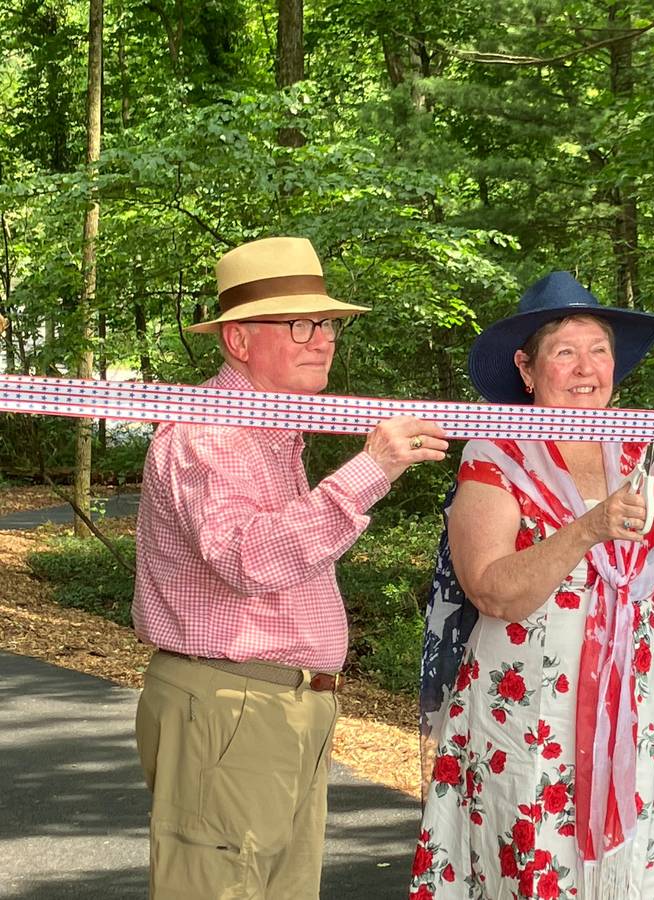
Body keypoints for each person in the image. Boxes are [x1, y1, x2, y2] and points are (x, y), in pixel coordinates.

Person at [132, 236, 449, 899]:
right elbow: (248, 558)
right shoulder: (210, 431)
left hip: (275, 706)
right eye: (299, 324)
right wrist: (372, 470)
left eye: (327, 323)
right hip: (231, 701)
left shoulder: (271, 433)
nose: (323, 339)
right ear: (239, 341)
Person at [410, 271, 654, 900]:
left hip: (637, 703)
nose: (587, 367)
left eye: (599, 350)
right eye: (565, 351)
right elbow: (493, 590)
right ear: (527, 370)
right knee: (531, 852)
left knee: (636, 859)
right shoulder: (496, 452)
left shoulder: (647, 449)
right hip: (527, 712)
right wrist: (587, 529)